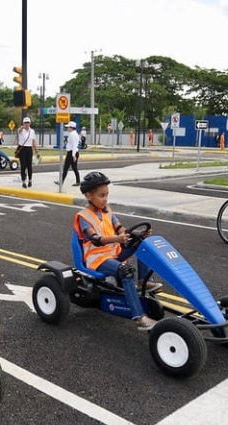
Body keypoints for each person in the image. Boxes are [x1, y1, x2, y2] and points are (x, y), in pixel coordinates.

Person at [75, 172, 160, 330]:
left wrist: (137, 235)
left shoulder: (107, 211)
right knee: (126, 271)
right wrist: (117, 239)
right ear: (88, 195)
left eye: (107, 195)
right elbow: (95, 239)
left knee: (143, 245)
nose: (105, 199)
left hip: (113, 253)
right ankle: (139, 317)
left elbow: (121, 229)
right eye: (101, 196)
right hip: (97, 259)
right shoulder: (83, 217)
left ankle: (142, 281)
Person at [16, 117, 39, 188]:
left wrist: (36, 151)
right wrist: (22, 128)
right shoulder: (21, 130)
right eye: (25, 123)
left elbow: (33, 141)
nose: (27, 124)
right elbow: (18, 131)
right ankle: (23, 181)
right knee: (23, 166)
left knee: (29, 166)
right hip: (22, 148)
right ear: (23, 123)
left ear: (30, 123)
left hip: (29, 148)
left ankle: (30, 180)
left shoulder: (32, 131)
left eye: (28, 123)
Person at [58, 121, 80, 186]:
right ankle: (78, 181)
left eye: (68, 127)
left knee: (66, 168)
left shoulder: (72, 134)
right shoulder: (75, 134)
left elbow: (74, 145)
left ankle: (61, 182)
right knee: (74, 168)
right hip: (73, 152)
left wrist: (73, 155)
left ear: (71, 127)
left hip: (72, 153)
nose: (67, 128)